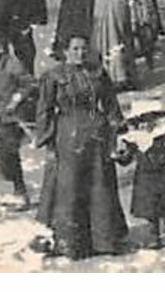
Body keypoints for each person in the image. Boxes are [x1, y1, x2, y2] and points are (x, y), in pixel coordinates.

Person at [34, 35, 129, 259]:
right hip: (68, 138)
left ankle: (105, 241)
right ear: (65, 51)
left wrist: (118, 130)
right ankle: (72, 244)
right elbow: (43, 110)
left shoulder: (98, 72)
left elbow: (111, 103)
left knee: (100, 185)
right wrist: (47, 140)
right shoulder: (53, 76)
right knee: (70, 188)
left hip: (97, 137)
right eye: (75, 49)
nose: (80, 53)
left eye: (84, 49)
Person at [114, 97, 165, 254]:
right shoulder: (134, 139)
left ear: (156, 119)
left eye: (149, 119)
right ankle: (154, 238)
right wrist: (118, 157)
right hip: (144, 177)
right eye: (140, 121)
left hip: (164, 174)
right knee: (149, 210)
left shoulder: (162, 134)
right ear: (135, 123)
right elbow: (127, 158)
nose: (145, 124)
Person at [0, 31, 35, 211]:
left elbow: (28, 83)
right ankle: (16, 190)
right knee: (5, 159)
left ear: (0, 49)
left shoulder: (12, 64)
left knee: (9, 156)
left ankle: (21, 193)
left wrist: (16, 100)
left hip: (11, 118)